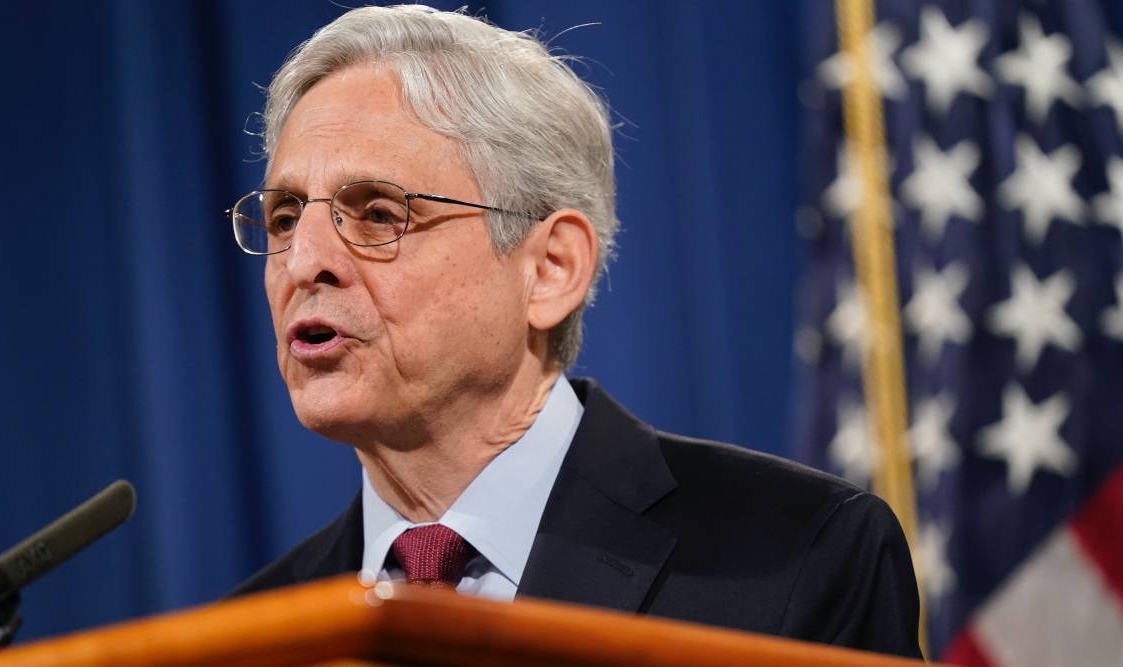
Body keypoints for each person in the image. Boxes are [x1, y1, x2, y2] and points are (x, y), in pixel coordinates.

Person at [229, 4, 922, 659]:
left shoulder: (799, 557)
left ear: (551, 269)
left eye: (377, 212)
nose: (305, 261)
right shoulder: (254, 634)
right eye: (287, 216)